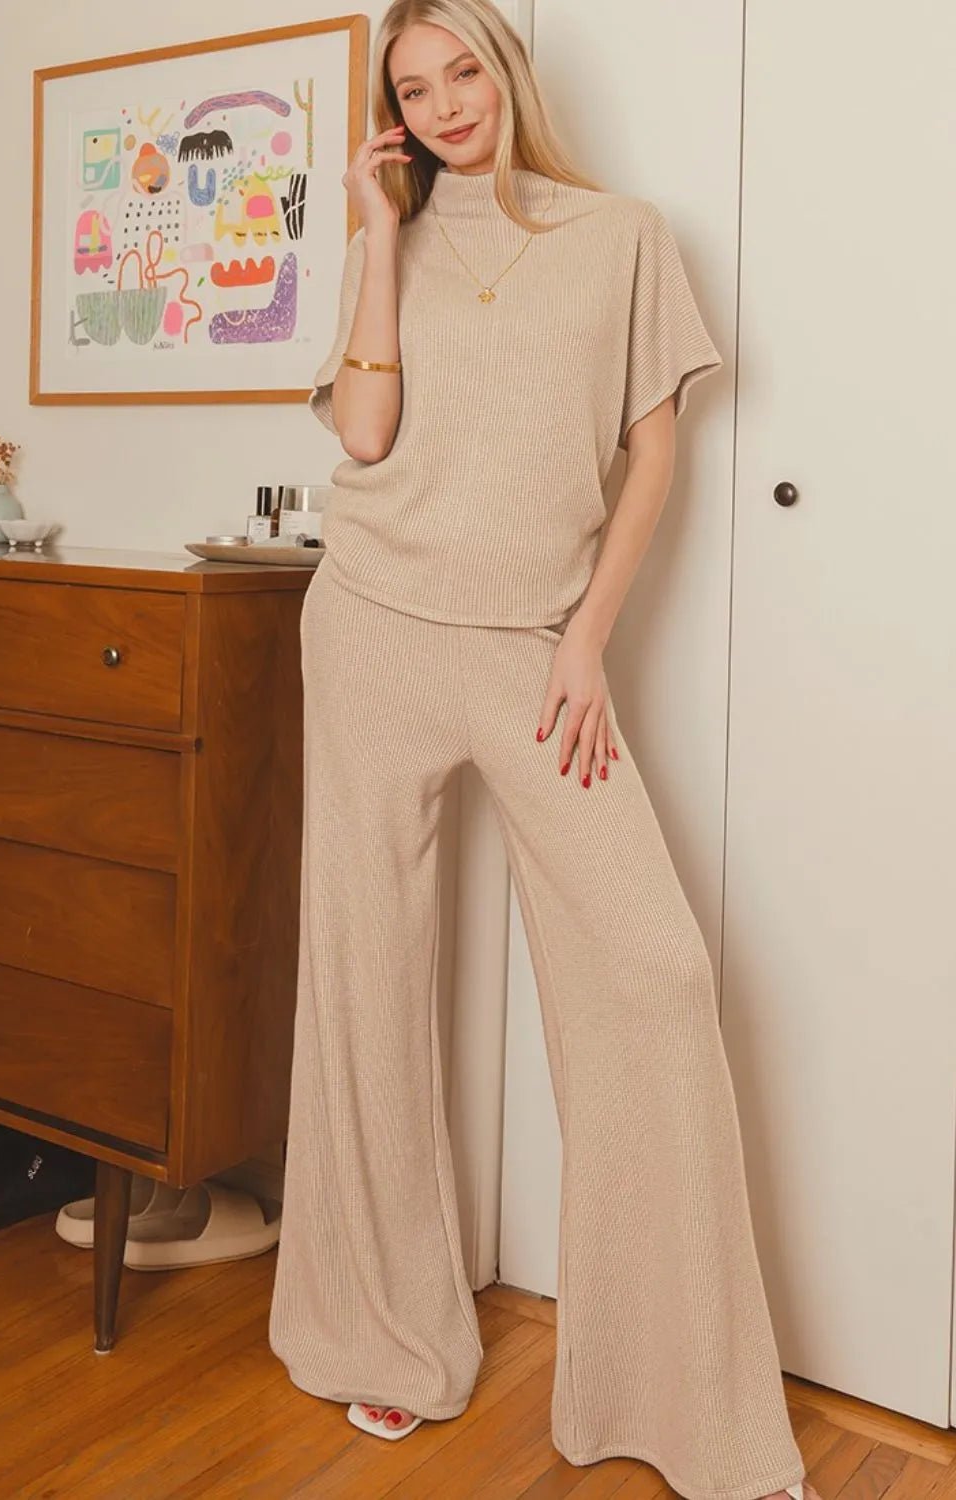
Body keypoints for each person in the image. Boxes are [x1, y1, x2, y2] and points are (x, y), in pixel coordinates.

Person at [268, 3, 819, 1497]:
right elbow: (367, 437)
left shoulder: (622, 234)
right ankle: (382, 1336)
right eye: (413, 88)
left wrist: (585, 641)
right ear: (391, 111)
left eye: (464, 72)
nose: (446, 105)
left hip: (531, 649)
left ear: (507, 72)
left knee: (653, 972)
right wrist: (380, 237)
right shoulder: (391, 228)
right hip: (369, 621)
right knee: (365, 975)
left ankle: (689, 1406)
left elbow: (656, 448)